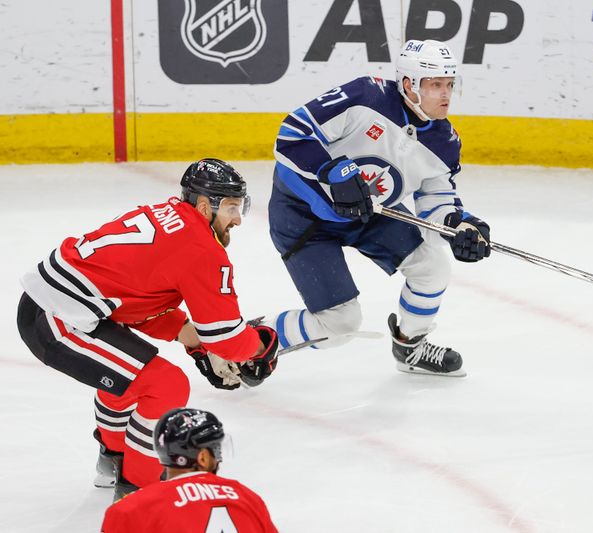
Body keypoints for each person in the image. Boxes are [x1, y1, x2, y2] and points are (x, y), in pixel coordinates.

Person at [16, 159, 279, 501]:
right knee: (164, 384)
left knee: (132, 374)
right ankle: (138, 491)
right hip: (58, 319)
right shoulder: (201, 249)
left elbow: (135, 301)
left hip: (55, 304)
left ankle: (112, 461)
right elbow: (227, 338)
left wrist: (189, 336)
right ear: (204, 206)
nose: (239, 218)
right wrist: (258, 348)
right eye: (231, 207)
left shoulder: (166, 213)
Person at [268, 39, 491, 376]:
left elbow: (437, 203)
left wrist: (462, 226)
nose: (445, 94)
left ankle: (410, 346)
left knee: (432, 267)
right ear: (408, 85)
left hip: (368, 216)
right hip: (303, 214)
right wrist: (331, 171)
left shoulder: (445, 143)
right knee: (340, 324)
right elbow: (292, 134)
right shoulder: (365, 97)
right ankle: (254, 341)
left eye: (448, 84)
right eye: (434, 85)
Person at [101, 407, 279, 532]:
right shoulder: (247, 498)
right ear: (202, 457)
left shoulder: (131, 508)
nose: (219, 458)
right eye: (216, 450)